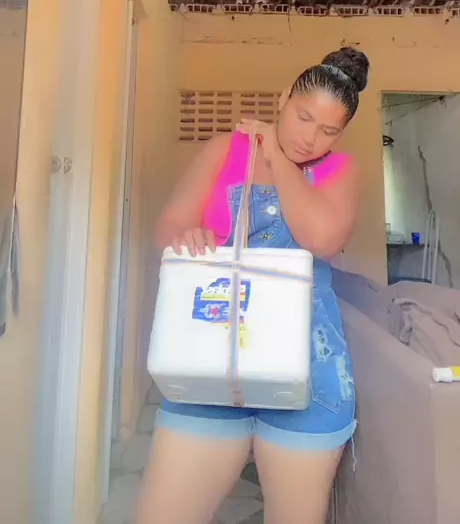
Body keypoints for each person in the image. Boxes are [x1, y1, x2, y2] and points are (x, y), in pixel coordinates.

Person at [135, 46, 369, 524]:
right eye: (304, 117)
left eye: (329, 131)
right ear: (283, 100)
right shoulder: (225, 149)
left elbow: (322, 238)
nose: (311, 138)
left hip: (309, 369)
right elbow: (168, 226)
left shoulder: (339, 171)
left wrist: (277, 157)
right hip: (210, 356)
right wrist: (187, 236)